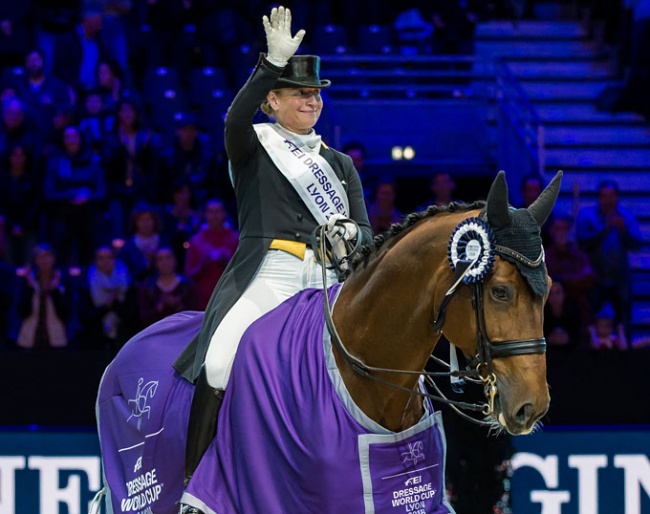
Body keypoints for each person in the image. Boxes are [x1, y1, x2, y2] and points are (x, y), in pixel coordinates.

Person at [174, 5, 373, 498]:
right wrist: (267, 65)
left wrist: (352, 237)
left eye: (315, 94)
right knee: (220, 361)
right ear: (272, 101)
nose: (311, 101)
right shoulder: (254, 146)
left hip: (328, 280)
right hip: (271, 274)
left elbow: (368, 234)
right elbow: (233, 117)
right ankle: (194, 486)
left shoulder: (341, 164)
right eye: (299, 94)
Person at [576, 180, 642, 340]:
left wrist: (623, 230)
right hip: (594, 276)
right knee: (591, 318)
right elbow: (581, 242)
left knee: (623, 320)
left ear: (617, 198)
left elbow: (637, 244)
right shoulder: (587, 216)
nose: (608, 199)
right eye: (604, 196)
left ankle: (625, 356)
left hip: (620, 277)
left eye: (611, 196)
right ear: (598, 198)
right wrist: (604, 229)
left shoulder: (626, 217)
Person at [184, 199, 239, 310]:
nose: (214, 215)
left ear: (224, 214)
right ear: (205, 215)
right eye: (211, 212)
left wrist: (227, 262)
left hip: (230, 297)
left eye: (218, 211)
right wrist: (203, 264)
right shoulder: (196, 240)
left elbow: (244, 270)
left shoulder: (236, 239)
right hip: (203, 300)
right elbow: (188, 273)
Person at [545, 216, 596, 334]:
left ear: (568, 232)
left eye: (564, 229)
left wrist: (561, 280)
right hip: (549, 307)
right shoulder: (544, 256)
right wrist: (571, 281)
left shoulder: (579, 255)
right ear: (552, 232)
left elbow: (589, 278)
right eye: (557, 229)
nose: (561, 233)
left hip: (575, 304)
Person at [16, 243, 71, 349]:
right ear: (35, 260)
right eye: (40, 257)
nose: (44, 260)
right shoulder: (27, 282)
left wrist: (55, 291)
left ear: (53, 259)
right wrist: (30, 289)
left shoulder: (62, 281)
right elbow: (22, 312)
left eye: (47, 256)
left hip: (56, 340)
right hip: (29, 341)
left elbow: (66, 314)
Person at [138, 246, 196, 328]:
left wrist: (178, 305)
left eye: (168, 258)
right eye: (160, 259)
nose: (165, 262)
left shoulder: (187, 286)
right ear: (155, 263)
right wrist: (160, 306)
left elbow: (194, 316)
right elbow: (144, 317)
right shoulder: (148, 288)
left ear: (175, 260)